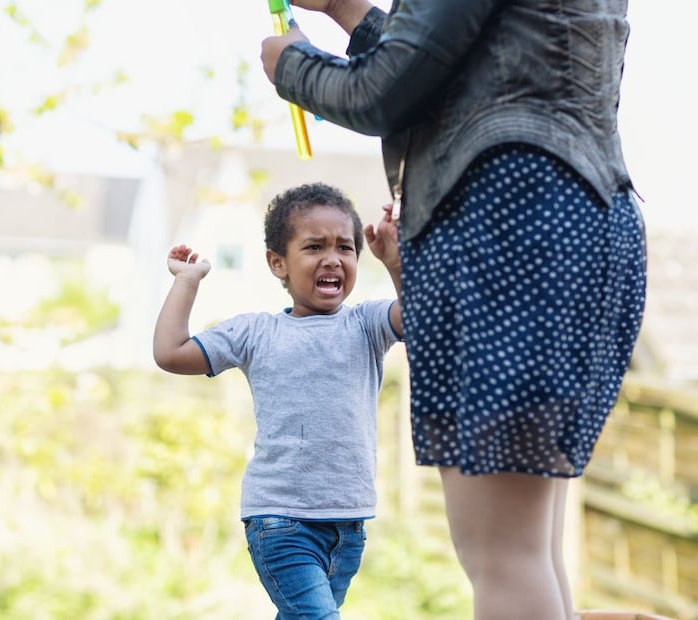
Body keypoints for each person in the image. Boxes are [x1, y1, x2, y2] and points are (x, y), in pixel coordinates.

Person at [260, 2, 647, 620]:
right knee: (531, 546)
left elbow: (386, 90)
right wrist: (345, 10)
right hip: (584, 216)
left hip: (506, 224)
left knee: (503, 556)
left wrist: (292, 67)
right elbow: (469, 66)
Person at [152, 182, 403, 619]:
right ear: (277, 263)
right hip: (281, 521)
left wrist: (398, 262)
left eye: (345, 247)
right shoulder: (255, 332)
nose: (332, 258)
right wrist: (187, 281)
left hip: (348, 523)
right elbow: (171, 353)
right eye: (314, 246)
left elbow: (425, 314)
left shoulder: (367, 325)